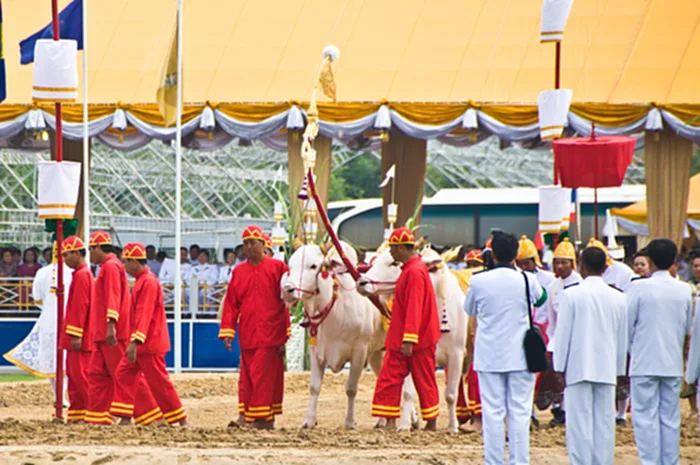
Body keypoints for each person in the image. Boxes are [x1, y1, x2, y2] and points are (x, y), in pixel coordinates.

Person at [464, 231, 547, 465]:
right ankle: (520, 461)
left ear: (492, 253)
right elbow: (541, 299)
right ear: (515, 255)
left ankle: (494, 461)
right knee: (519, 411)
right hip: (520, 354)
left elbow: (469, 309)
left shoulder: (478, 280)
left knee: (492, 412)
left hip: (489, 355)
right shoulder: (527, 279)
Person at [553, 247, 628, 465]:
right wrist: (620, 370)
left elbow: (563, 334)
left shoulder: (571, 295)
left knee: (579, 424)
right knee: (605, 423)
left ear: (580, 265)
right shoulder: (618, 297)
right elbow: (622, 338)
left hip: (577, 366)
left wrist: (559, 367)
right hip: (607, 367)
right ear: (605, 267)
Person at [85, 230, 162, 426]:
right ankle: (97, 416)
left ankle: (149, 414)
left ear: (98, 248)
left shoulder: (110, 267)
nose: (90, 253)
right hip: (103, 333)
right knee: (97, 374)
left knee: (125, 375)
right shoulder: (108, 266)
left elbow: (113, 296)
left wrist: (111, 324)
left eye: (91, 249)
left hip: (111, 333)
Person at [627, 239, 693, 465]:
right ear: (674, 261)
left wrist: (630, 351)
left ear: (651, 261)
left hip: (644, 360)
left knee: (645, 418)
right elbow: (686, 327)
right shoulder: (684, 289)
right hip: (671, 361)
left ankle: (650, 462)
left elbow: (628, 325)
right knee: (670, 418)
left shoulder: (638, 287)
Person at [219, 225, 289, 430]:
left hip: (271, 333)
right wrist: (228, 332)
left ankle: (259, 418)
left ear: (262, 244)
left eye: (253, 243)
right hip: (248, 332)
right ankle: (254, 416)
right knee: (248, 376)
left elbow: (286, 301)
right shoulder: (239, 271)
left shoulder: (278, 268)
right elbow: (231, 303)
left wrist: (286, 333)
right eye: (246, 243)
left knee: (263, 375)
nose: (249, 247)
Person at [110, 243, 188, 427]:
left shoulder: (148, 282)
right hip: (142, 342)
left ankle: (181, 418)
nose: (124, 267)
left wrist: (135, 341)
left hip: (149, 343)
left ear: (134, 261)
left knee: (159, 382)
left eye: (126, 262)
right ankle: (126, 416)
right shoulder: (143, 281)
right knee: (123, 374)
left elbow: (144, 314)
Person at [372, 227, 441, 431]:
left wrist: (409, 339)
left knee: (424, 379)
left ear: (402, 248)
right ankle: (390, 419)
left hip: (413, 338)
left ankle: (431, 421)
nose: (391, 253)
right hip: (401, 336)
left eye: (393, 249)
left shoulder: (415, 272)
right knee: (389, 379)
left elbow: (414, 306)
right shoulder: (411, 270)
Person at [3, 243, 72, 406]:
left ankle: (58, 395)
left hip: (48, 318)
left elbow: (37, 298)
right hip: (67, 318)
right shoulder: (72, 272)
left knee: (51, 358)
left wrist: (49, 307)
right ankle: (61, 395)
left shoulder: (42, 272)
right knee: (65, 359)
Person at [535, 237, 582, 427]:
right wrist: (552, 341)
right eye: (556, 262)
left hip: (577, 339)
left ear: (573, 263)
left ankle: (570, 409)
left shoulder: (580, 285)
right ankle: (559, 408)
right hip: (558, 339)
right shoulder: (552, 287)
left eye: (564, 262)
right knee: (556, 377)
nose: (560, 266)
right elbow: (551, 319)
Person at [59, 236, 94, 423]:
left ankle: (92, 411)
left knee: (81, 376)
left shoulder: (82, 275)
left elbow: (80, 306)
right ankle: (78, 413)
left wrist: (75, 333)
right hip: (78, 334)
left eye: (67, 255)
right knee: (74, 376)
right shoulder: (81, 274)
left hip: (79, 336)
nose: (64, 259)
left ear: (77, 253)